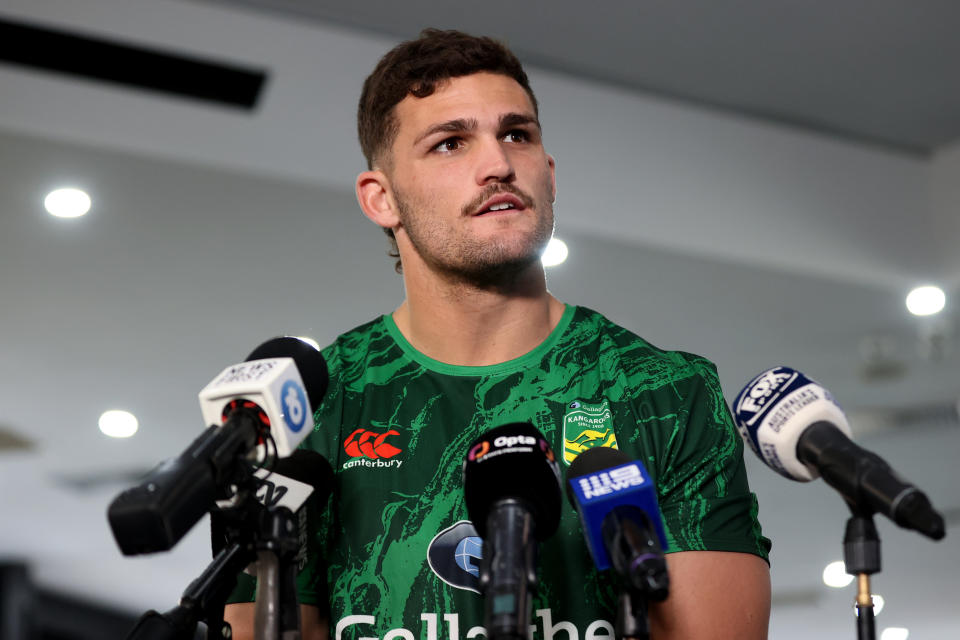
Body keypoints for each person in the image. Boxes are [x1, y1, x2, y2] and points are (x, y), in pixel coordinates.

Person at [225, 28, 771, 640]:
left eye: (517, 134)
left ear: (550, 173)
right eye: (450, 143)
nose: (499, 164)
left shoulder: (668, 393)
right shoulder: (310, 409)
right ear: (381, 199)